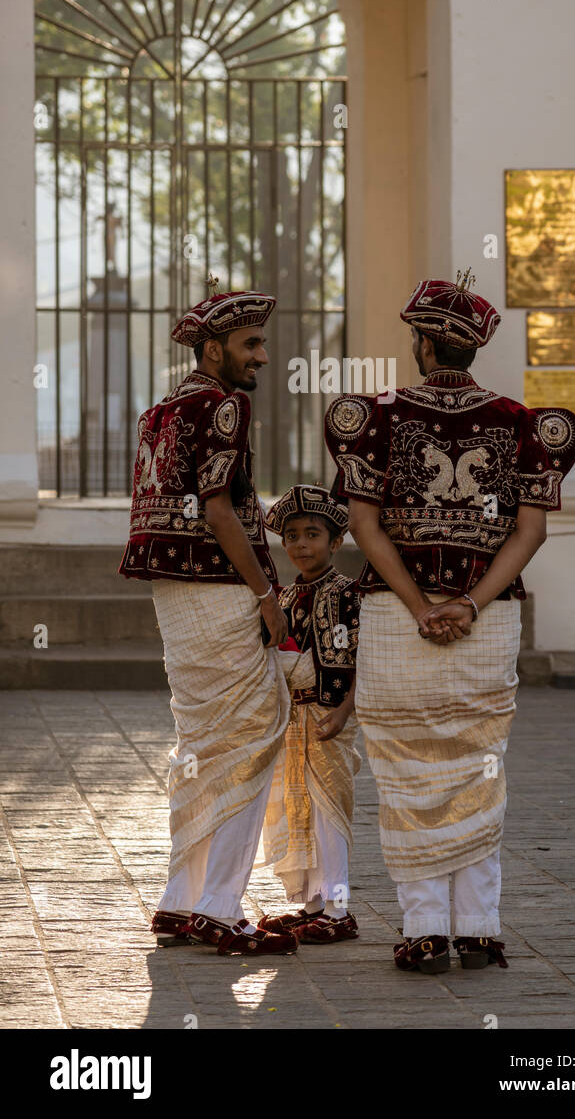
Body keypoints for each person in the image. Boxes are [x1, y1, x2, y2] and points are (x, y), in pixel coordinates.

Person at [324, 273, 575, 975]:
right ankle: (478, 926)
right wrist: (467, 605)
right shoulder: (522, 423)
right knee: (476, 767)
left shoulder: (374, 416)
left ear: (422, 343)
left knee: (407, 771)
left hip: (392, 615)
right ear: (468, 349)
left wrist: (416, 605)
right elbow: (529, 532)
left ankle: (425, 929)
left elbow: (362, 524)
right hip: (488, 619)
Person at [119, 280, 296, 958]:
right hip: (221, 589)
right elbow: (218, 510)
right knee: (251, 741)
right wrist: (264, 594)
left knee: (199, 744)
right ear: (215, 347)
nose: (261, 357)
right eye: (251, 344)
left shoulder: (160, 411)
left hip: (173, 594)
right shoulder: (222, 407)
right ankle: (221, 907)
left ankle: (181, 900)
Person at [255, 485, 361, 943]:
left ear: (336, 542)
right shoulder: (284, 596)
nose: (301, 544)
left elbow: (366, 660)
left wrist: (342, 711)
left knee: (328, 810)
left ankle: (339, 910)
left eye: (312, 534)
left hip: (327, 716)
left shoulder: (348, 594)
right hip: (292, 719)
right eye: (292, 535)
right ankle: (311, 904)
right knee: (295, 807)